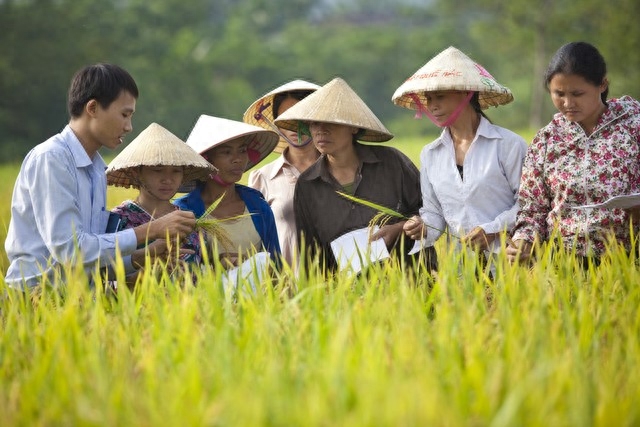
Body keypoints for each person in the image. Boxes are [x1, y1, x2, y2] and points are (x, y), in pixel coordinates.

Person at [3, 63, 196, 290]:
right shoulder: (52, 159)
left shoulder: (96, 169)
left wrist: (143, 256)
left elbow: (89, 259)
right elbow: (70, 251)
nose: (129, 127)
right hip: (38, 299)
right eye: (124, 115)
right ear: (92, 108)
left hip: (82, 299)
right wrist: (151, 230)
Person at [274, 77, 438, 273]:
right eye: (313, 124)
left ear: (354, 126)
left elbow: (431, 213)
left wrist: (401, 228)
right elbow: (312, 254)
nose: (320, 131)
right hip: (350, 295)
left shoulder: (392, 163)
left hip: (412, 283)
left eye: (330, 123)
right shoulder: (308, 184)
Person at [392, 46, 528, 274]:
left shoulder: (508, 145)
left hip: (510, 262)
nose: (432, 106)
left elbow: (528, 204)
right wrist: (421, 227)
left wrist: (493, 230)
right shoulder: (431, 154)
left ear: (467, 94)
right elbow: (434, 212)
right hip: (460, 269)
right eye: (429, 99)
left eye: (440, 97)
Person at [506, 41, 640, 265]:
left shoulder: (633, 127)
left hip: (627, 259)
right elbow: (532, 207)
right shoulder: (546, 140)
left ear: (603, 85)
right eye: (558, 94)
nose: (568, 103)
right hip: (563, 262)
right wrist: (523, 242)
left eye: (577, 93)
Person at [106, 122, 216, 287]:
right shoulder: (118, 221)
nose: (168, 179)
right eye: (157, 170)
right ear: (136, 172)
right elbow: (106, 282)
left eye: (176, 171)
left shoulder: (189, 222)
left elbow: (206, 278)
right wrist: (151, 269)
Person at [173, 115, 281, 268]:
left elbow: (277, 266)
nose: (237, 159)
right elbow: (180, 272)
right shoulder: (183, 212)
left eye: (242, 150)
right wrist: (217, 266)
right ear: (206, 160)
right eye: (226, 152)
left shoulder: (257, 205)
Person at [243, 79, 321, 268]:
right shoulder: (263, 177)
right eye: (286, 118)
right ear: (276, 124)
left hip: (339, 280)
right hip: (285, 284)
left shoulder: (338, 168)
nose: (295, 126)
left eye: (302, 116)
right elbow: (253, 239)